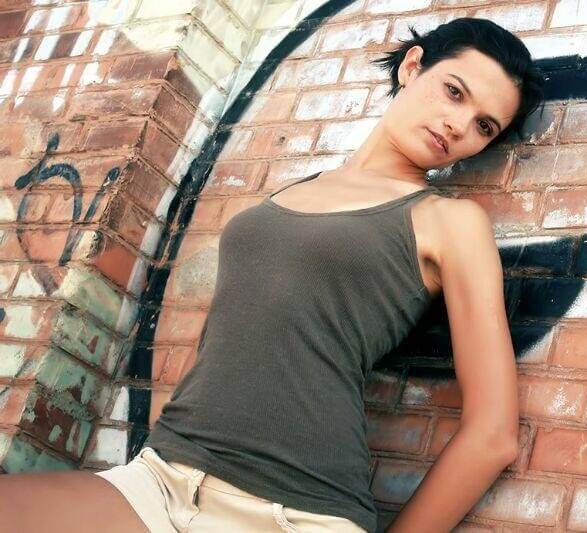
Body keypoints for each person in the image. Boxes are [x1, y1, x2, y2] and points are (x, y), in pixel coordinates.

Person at [0, 16, 544, 533]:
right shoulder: (295, 190)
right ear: (412, 67)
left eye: (484, 126)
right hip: (162, 478)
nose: (458, 125)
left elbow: (493, 434)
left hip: (293, 512)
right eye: (454, 92)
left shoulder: (450, 222)